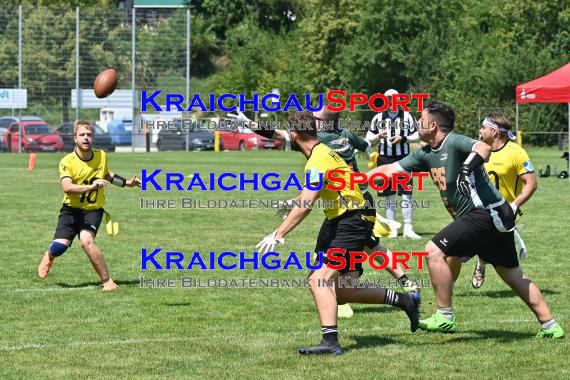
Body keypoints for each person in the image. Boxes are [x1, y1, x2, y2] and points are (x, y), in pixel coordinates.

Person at [366, 102, 565, 338]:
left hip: (485, 213)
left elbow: (483, 147)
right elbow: (391, 169)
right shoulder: (426, 152)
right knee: (512, 274)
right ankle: (551, 325)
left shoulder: (453, 141)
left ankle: (444, 316)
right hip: (493, 216)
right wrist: (356, 180)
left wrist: (466, 169)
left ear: (432, 125)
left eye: (421, 120)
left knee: (433, 250)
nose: (417, 124)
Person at [255, 111, 420, 355]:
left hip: (351, 219)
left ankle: (330, 343)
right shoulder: (321, 151)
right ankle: (404, 300)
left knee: (318, 280)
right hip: (344, 217)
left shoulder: (317, 159)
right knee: (344, 289)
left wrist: (279, 233)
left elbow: (308, 204)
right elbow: (317, 190)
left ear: (295, 134)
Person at [37, 119, 141, 291]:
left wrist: (127, 183)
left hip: (93, 210)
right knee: (59, 247)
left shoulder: (101, 156)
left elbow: (106, 174)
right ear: (75, 138)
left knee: (86, 241)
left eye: (89, 135)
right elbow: (67, 187)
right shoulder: (67, 161)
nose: (86, 138)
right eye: (82, 135)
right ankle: (49, 255)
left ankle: (107, 281)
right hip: (70, 211)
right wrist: (91, 186)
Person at [467, 113, 537, 289]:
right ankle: (482, 264)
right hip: (480, 208)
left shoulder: (517, 153)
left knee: (494, 246)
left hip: (506, 211)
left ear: (495, 131)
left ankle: (482, 264)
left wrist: (515, 205)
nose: (480, 130)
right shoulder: (479, 149)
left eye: (484, 127)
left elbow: (531, 183)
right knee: (481, 239)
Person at [367, 89, 421, 239]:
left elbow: (418, 135)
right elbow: (369, 137)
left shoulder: (407, 116)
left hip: (403, 159)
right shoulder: (378, 117)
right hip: (384, 159)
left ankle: (408, 228)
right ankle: (392, 228)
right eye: (388, 99)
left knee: (406, 194)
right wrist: (378, 136)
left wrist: (403, 138)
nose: (391, 102)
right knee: (389, 195)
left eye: (394, 99)